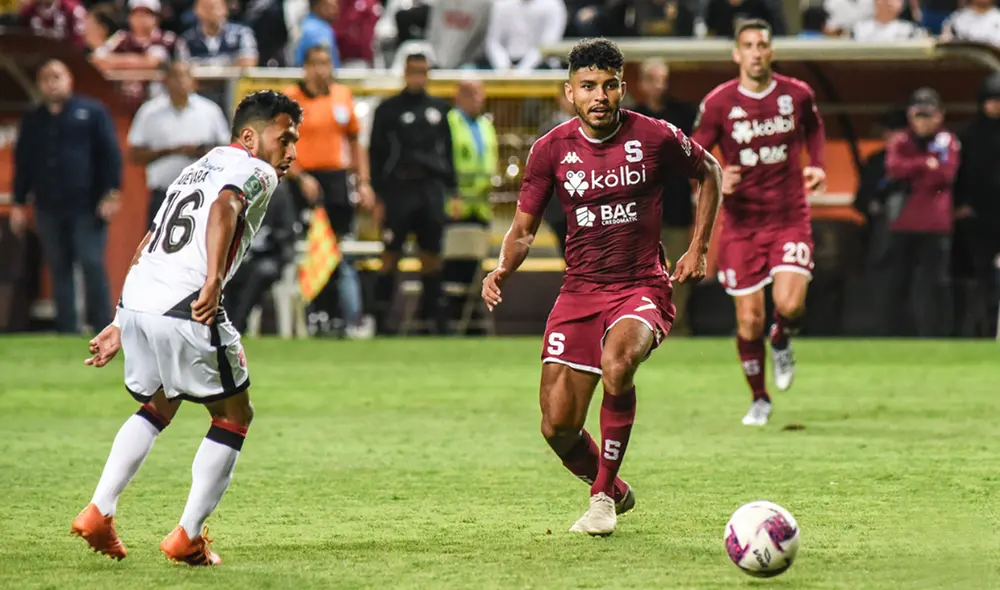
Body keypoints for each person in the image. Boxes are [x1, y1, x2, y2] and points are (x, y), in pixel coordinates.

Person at [481, 38, 723, 536]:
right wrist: (502, 269)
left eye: (609, 86)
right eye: (588, 86)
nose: (600, 96)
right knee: (557, 426)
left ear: (622, 89)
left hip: (641, 287)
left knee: (619, 362)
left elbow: (711, 171)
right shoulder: (549, 150)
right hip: (579, 292)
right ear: (569, 92)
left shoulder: (654, 137)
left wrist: (698, 246)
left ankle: (599, 501)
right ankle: (614, 487)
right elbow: (523, 228)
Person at [70, 90, 302, 566]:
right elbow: (224, 208)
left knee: (160, 402)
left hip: (140, 298)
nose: (292, 151)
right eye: (285, 138)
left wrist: (119, 319)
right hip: (186, 303)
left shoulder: (199, 165)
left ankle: (99, 510)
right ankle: (188, 536)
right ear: (251, 137)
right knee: (235, 415)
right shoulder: (254, 170)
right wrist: (214, 280)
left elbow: (152, 237)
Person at [691, 19, 827, 426]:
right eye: (748, 45)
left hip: (789, 216)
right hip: (741, 223)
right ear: (737, 54)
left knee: (790, 304)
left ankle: (782, 336)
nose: (755, 51)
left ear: (771, 52)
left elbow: (815, 129)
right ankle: (760, 399)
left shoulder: (796, 94)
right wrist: (716, 175)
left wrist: (817, 166)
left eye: (762, 44)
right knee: (748, 319)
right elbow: (692, 152)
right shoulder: (718, 102)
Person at [11, 59, 122, 334]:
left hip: (88, 204)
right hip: (48, 204)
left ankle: (102, 325)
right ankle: (67, 330)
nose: (52, 83)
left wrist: (112, 192)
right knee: (59, 268)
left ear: (69, 80)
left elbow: (110, 154)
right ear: (40, 85)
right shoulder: (34, 119)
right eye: (46, 78)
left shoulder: (92, 112)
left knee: (91, 263)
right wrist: (18, 202)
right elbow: (23, 162)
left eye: (57, 76)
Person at [284, 44, 376, 339]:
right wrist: (300, 177)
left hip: (336, 181)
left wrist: (362, 182)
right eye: (316, 63)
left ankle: (345, 319)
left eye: (326, 63)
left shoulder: (342, 96)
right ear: (305, 67)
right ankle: (310, 316)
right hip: (301, 182)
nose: (322, 69)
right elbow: (280, 146)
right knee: (305, 250)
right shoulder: (290, 98)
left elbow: (355, 142)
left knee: (340, 250)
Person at [370, 52, 457, 334]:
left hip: (430, 190)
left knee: (431, 256)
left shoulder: (441, 110)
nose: (418, 76)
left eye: (423, 71)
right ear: (405, 73)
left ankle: (432, 322)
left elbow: (448, 154)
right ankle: (380, 321)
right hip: (399, 190)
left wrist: (452, 191)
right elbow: (377, 155)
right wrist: (378, 195)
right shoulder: (388, 110)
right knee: (390, 255)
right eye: (413, 71)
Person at [876, 87, 960, 338]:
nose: (923, 121)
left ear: (939, 115)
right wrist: (924, 164)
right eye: (918, 115)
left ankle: (938, 335)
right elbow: (893, 168)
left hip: (936, 225)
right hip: (902, 223)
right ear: (911, 116)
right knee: (897, 283)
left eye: (928, 115)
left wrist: (914, 170)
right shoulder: (900, 140)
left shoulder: (947, 140)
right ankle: (893, 335)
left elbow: (945, 174)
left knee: (936, 284)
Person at [127, 60, 231, 228]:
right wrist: (171, 151)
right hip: (164, 195)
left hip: (202, 194)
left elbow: (226, 153)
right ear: (165, 80)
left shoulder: (210, 111)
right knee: (158, 249)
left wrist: (200, 152)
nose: (181, 81)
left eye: (185, 76)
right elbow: (134, 155)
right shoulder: (149, 112)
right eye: (175, 76)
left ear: (193, 80)